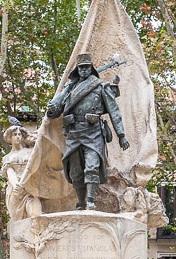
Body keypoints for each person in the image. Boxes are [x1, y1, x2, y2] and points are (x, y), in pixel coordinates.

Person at [46, 52, 129, 210]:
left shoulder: (100, 87)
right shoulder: (69, 89)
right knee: (76, 171)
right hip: (74, 134)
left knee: (92, 166)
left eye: (86, 67)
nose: (84, 70)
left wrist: (121, 135)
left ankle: (90, 200)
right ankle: (81, 202)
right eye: (81, 68)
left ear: (91, 69)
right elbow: (54, 113)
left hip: (93, 133)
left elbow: (114, 111)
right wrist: (53, 107)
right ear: (77, 70)